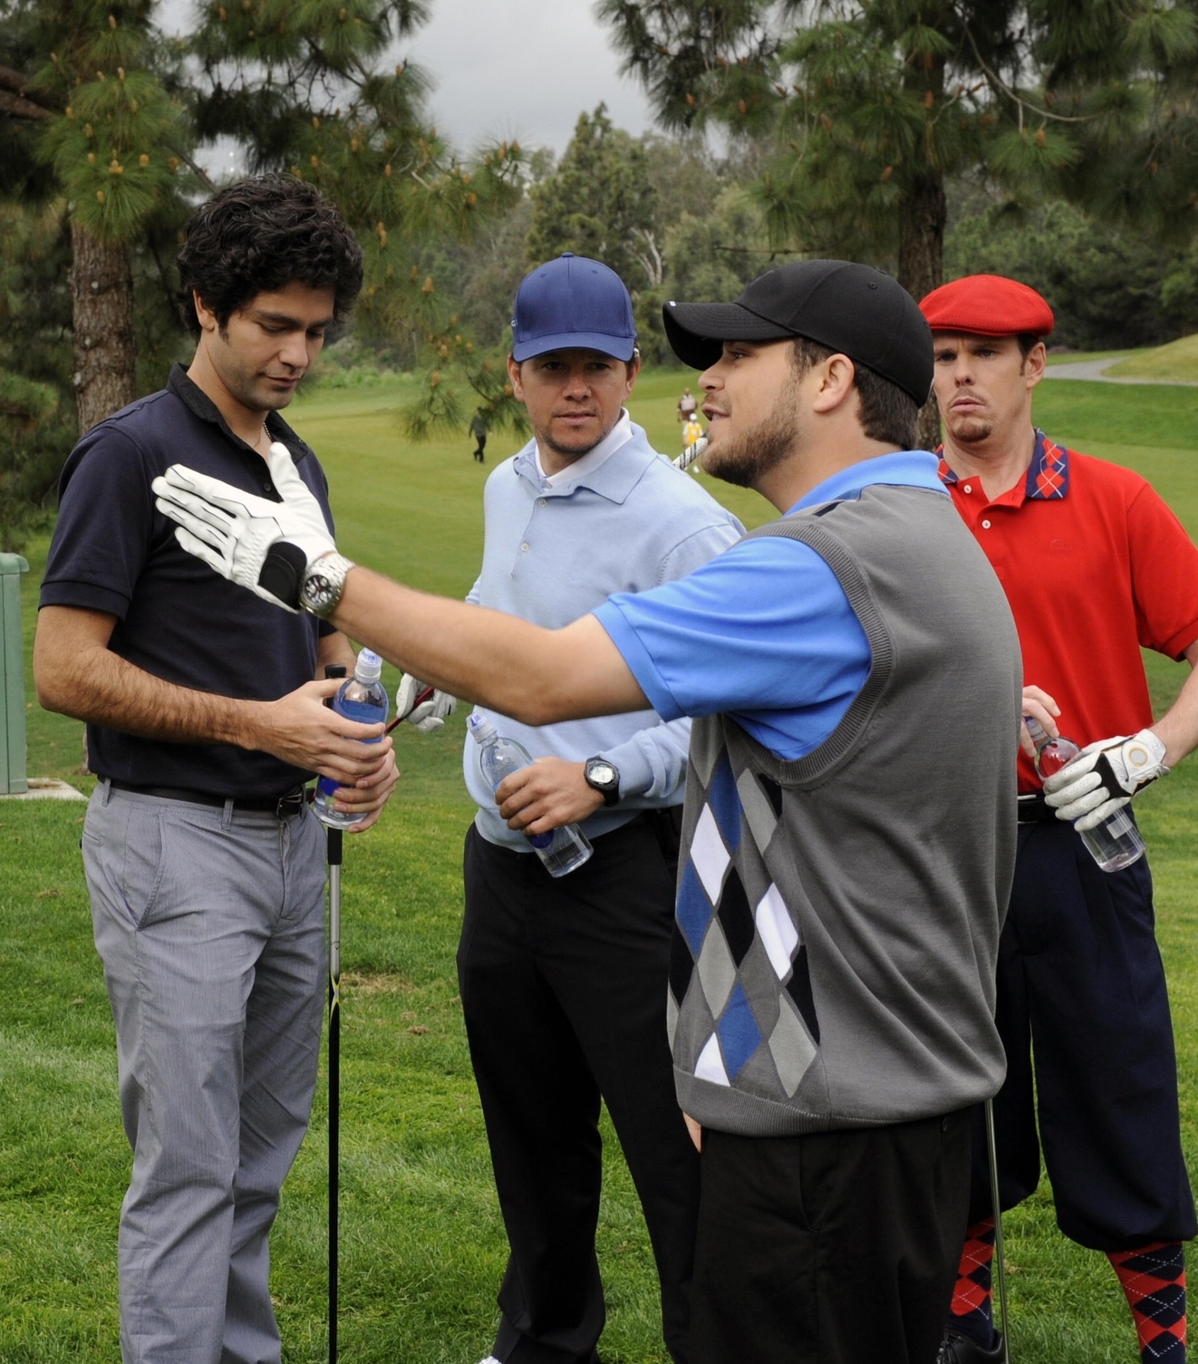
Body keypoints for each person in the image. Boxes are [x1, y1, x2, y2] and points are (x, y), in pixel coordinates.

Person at [151, 259, 1021, 1364]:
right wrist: (718, 1058)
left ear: (829, 381)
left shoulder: (821, 568)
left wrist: (317, 578)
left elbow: (546, 677)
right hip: (852, 1098)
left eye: (736, 357)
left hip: (831, 1127)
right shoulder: (917, 529)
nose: (705, 383)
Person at [33, 174, 397, 1364]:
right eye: (274, 326)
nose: (298, 353)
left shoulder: (295, 461)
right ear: (205, 305)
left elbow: (324, 633)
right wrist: (258, 722)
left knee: (258, 1154)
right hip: (174, 842)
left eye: (316, 331)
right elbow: (64, 668)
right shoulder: (128, 453)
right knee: (188, 1165)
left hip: (295, 840)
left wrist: (356, 727)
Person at [392, 254, 741, 1364]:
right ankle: (543, 1339)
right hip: (499, 869)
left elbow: (725, 718)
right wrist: (441, 660)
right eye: (552, 367)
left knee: (672, 1143)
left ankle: (718, 1343)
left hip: (621, 875)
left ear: (632, 371)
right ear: (515, 374)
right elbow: (506, 610)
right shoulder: (509, 484)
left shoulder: (681, 525)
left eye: (595, 365)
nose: (573, 387)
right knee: (531, 1132)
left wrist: (599, 777)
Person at [922, 275, 1198, 1364]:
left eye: (984, 352)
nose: (958, 374)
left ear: (1034, 366)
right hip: (940, 850)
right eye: (940, 356)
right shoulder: (900, 506)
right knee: (953, 1098)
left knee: (1118, 1086)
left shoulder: (1111, 499)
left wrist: (1146, 749)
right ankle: (962, 1324)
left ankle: (1159, 1341)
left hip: (1082, 843)